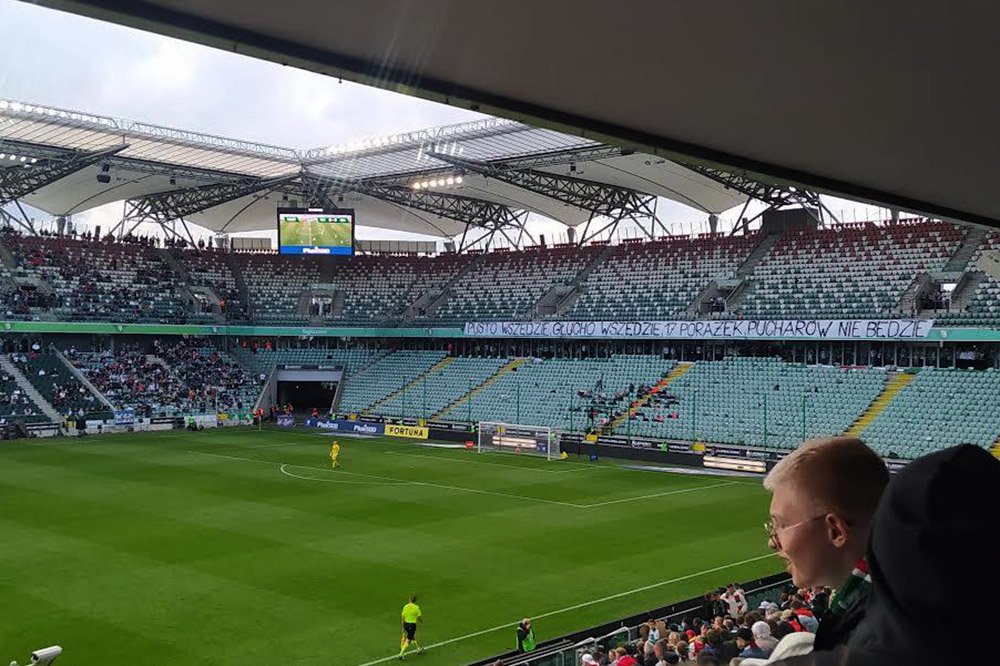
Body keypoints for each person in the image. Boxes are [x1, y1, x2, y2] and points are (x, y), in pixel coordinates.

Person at [762, 436, 888, 651]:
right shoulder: (893, 593)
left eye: (780, 525)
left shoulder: (875, 638)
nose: (772, 543)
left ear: (836, 531)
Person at [398, 595, 423, 660]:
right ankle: (401, 654)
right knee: (408, 640)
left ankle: (418, 649)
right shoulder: (416, 607)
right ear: (415, 601)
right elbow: (419, 616)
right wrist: (421, 621)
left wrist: (403, 627)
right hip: (412, 625)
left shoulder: (405, 606)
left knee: (412, 637)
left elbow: (402, 617)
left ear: (409, 600)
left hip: (405, 624)